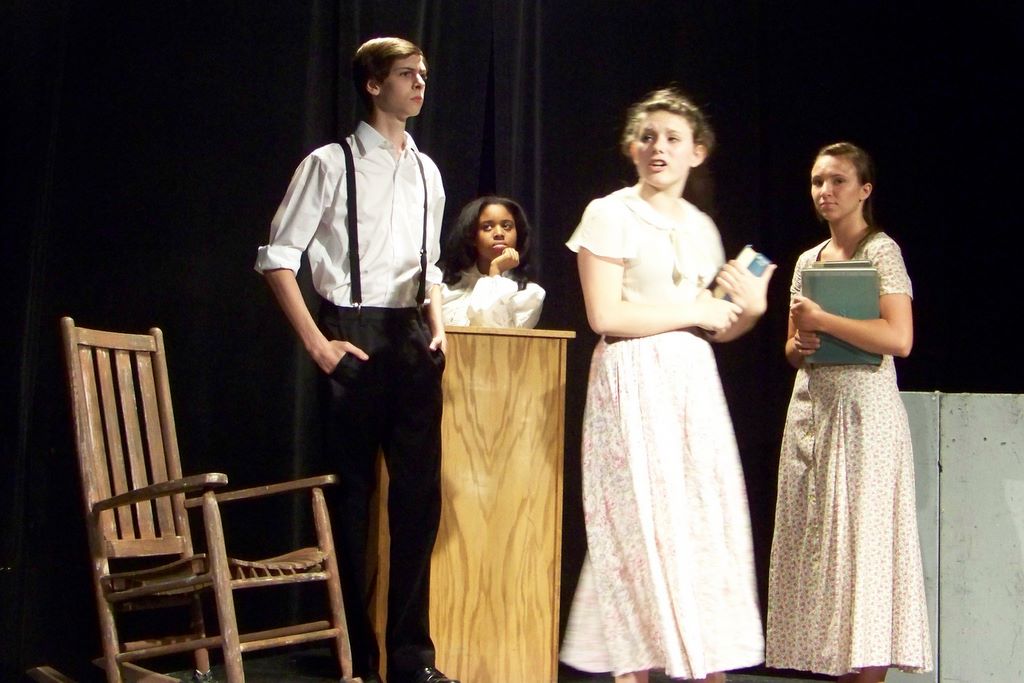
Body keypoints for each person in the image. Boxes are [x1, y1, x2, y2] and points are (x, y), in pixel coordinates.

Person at [254, 36, 458, 683]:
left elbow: (430, 266)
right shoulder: (329, 163)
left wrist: (438, 325)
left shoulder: (427, 171)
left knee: (419, 502)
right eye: (406, 74)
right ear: (374, 84)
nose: (419, 83)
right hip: (352, 329)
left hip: (411, 338)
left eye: (423, 74)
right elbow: (277, 258)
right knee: (353, 502)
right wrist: (319, 343)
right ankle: (356, 660)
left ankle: (412, 659)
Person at [559, 87, 773, 683]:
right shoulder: (610, 213)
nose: (659, 147)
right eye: (648, 137)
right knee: (639, 528)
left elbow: (716, 324)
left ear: (696, 153)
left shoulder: (702, 227)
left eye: (673, 138)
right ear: (632, 148)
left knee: (701, 525)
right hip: (632, 379)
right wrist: (697, 311)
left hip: (692, 386)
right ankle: (633, 669)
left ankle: (703, 666)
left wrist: (751, 309)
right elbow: (605, 315)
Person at [765, 142, 932, 683]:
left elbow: (899, 338)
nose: (825, 191)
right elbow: (792, 349)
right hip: (813, 414)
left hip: (866, 418)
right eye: (818, 181)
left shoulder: (882, 252)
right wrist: (802, 342)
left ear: (864, 190)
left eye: (838, 180)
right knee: (822, 554)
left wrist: (825, 321)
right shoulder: (807, 261)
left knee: (864, 553)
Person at [439, 196, 546, 328]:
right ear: (472, 236)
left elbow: (490, 330)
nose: (499, 233)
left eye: (507, 226)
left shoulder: (530, 295)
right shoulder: (442, 285)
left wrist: (495, 272)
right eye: (487, 227)